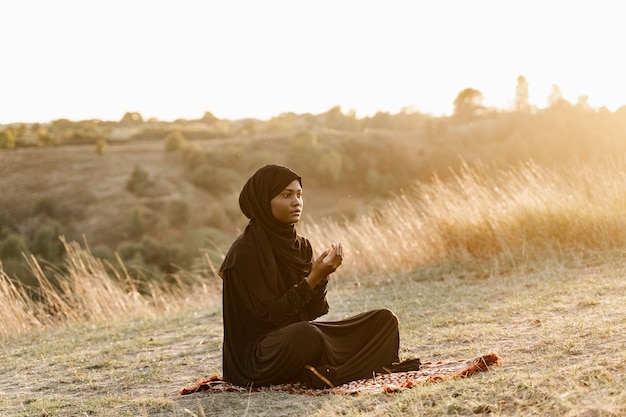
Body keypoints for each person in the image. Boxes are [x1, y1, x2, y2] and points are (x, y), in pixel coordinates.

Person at [219, 164, 419, 389]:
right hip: (257, 358)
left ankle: (332, 373)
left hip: (301, 338)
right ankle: (343, 371)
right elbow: (267, 318)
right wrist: (313, 278)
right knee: (308, 335)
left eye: (299, 194)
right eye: (286, 195)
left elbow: (313, 311)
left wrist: (323, 275)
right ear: (263, 201)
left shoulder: (301, 246)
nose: (296, 202)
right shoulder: (244, 252)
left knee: (384, 321)